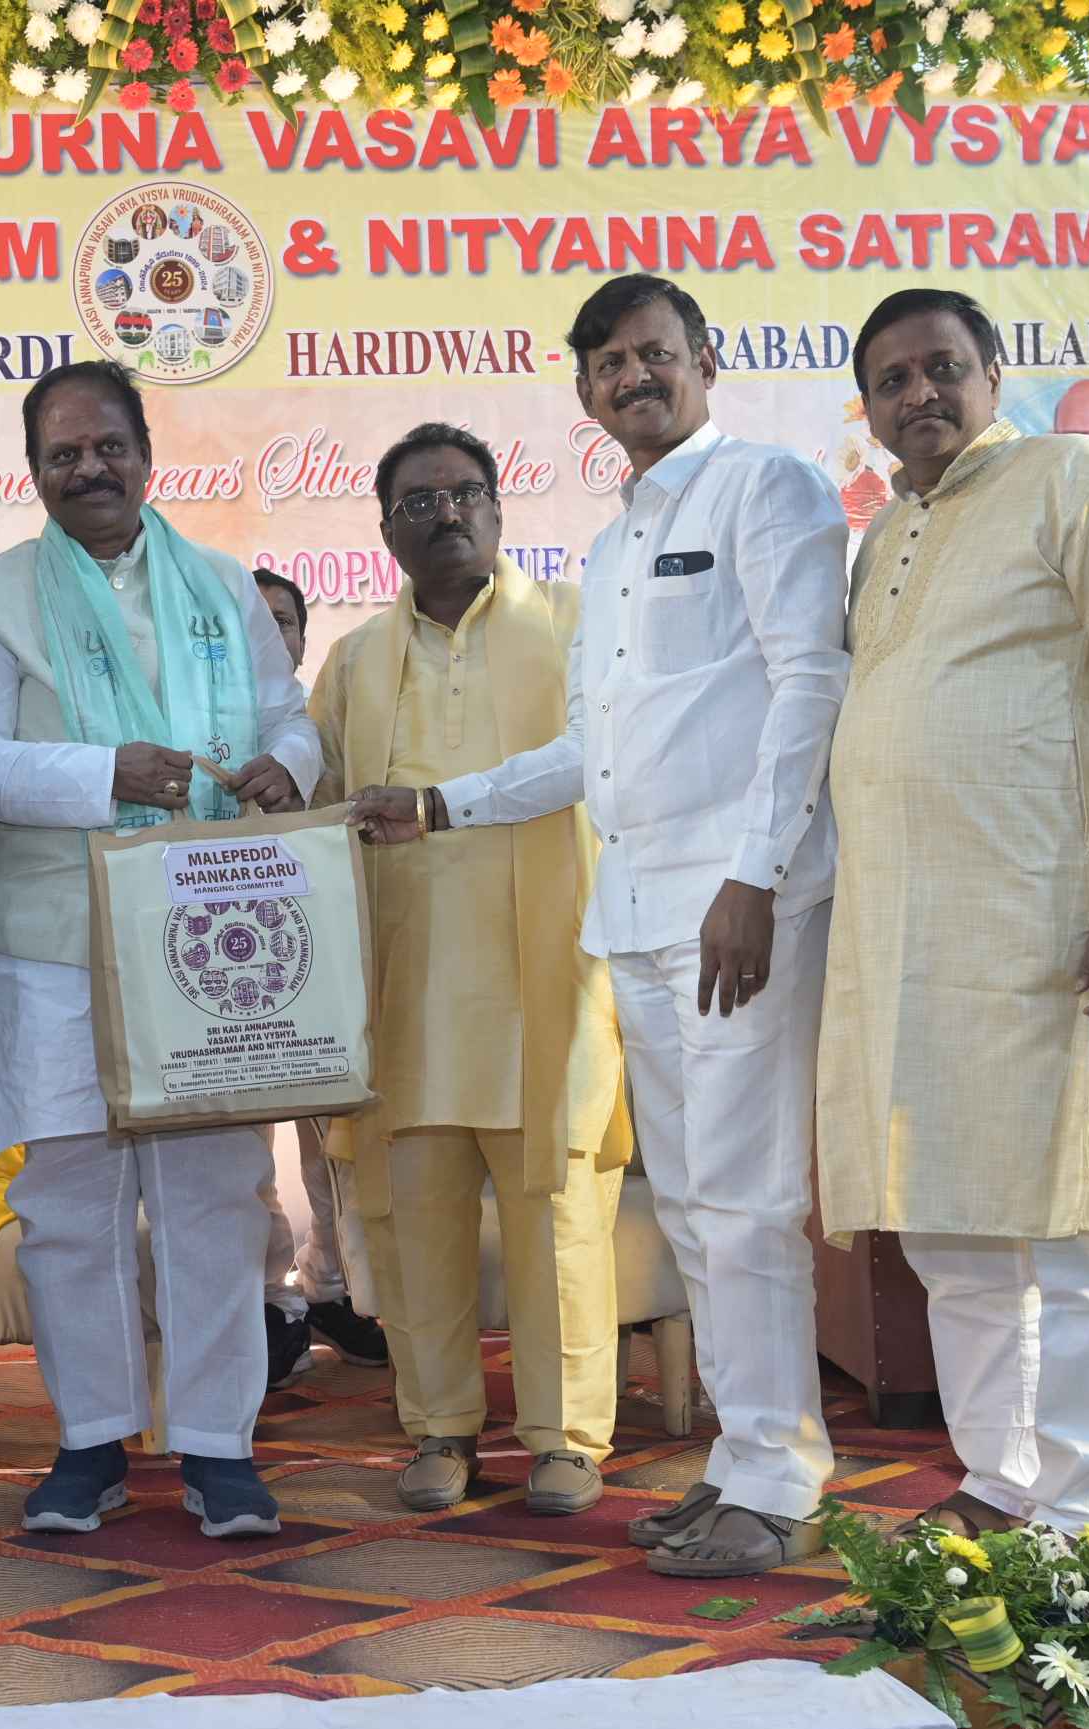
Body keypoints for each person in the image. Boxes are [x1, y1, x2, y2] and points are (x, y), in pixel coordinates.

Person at [364, 276, 846, 1571]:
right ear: (584, 394)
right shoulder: (613, 545)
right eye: (610, 365)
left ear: (706, 360)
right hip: (635, 917)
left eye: (654, 353)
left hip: (737, 908)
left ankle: (782, 1481)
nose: (635, 378)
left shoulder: (767, 488)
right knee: (690, 1205)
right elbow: (591, 751)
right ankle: (742, 1461)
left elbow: (811, 682)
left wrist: (756, 874)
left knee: (746, 1202)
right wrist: (443, 805)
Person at [817, 289, 1089, 1537]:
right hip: (913, 941)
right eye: (891, 380)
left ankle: (1084, 1504)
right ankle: (998, 1477)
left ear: (995, 373)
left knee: (1079, 1225)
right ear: (869, 408)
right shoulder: (885, 534)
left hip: (1057, 923)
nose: (918, 394)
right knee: (955, 1231)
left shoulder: (1076, 481)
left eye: (942, 367)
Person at [0, 360, 321, 1539]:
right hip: (50, 939)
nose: (88, 468)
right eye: (63, 453)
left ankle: (219, 1446)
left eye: (108, 446)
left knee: (215, 1193)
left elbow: (287, 713)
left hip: (208, 931)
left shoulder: (220, 585)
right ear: (35, 471)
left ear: (148, 457)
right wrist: (106, 775)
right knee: (69, 1201)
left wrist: (287, 765)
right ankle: (90, 1439)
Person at [317, 424, 629, 1518]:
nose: (444, 513)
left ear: (499, 509)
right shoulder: (354, 660)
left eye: (463, 493)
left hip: (548, 980)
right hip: (405, 991)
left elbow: (598, 760)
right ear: (385, 530)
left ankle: (566, 1438)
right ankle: (440, 1427)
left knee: (559, 1216)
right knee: (415, 1223)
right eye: (418, 500)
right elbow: (315, 802)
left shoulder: (577, 623)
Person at [247, 565, 390, 1383]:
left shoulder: (327, 727)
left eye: (285, 621)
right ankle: (273, 1304)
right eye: (253, 619)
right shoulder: (204, 725)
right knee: (242, 1155)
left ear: (304, 639)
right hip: (230, 979)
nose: (272, 634)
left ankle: (330, 1289)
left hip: (323, 967)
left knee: (332, 1149)